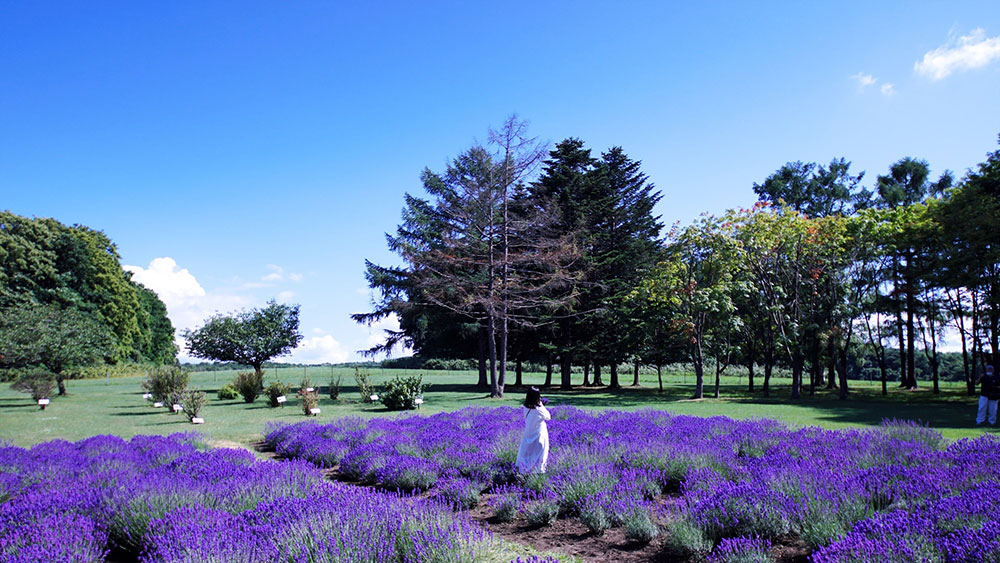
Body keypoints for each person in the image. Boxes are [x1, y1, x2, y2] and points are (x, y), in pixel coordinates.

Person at [516, 386, 551, 474]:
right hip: (539, 434)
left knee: (527, 453)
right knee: (540, 455)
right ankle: (538, 472)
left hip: (528, 433)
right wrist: (542, 405)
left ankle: (523, 471)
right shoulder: (539, 410)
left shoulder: (525, 407)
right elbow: (548, 417)